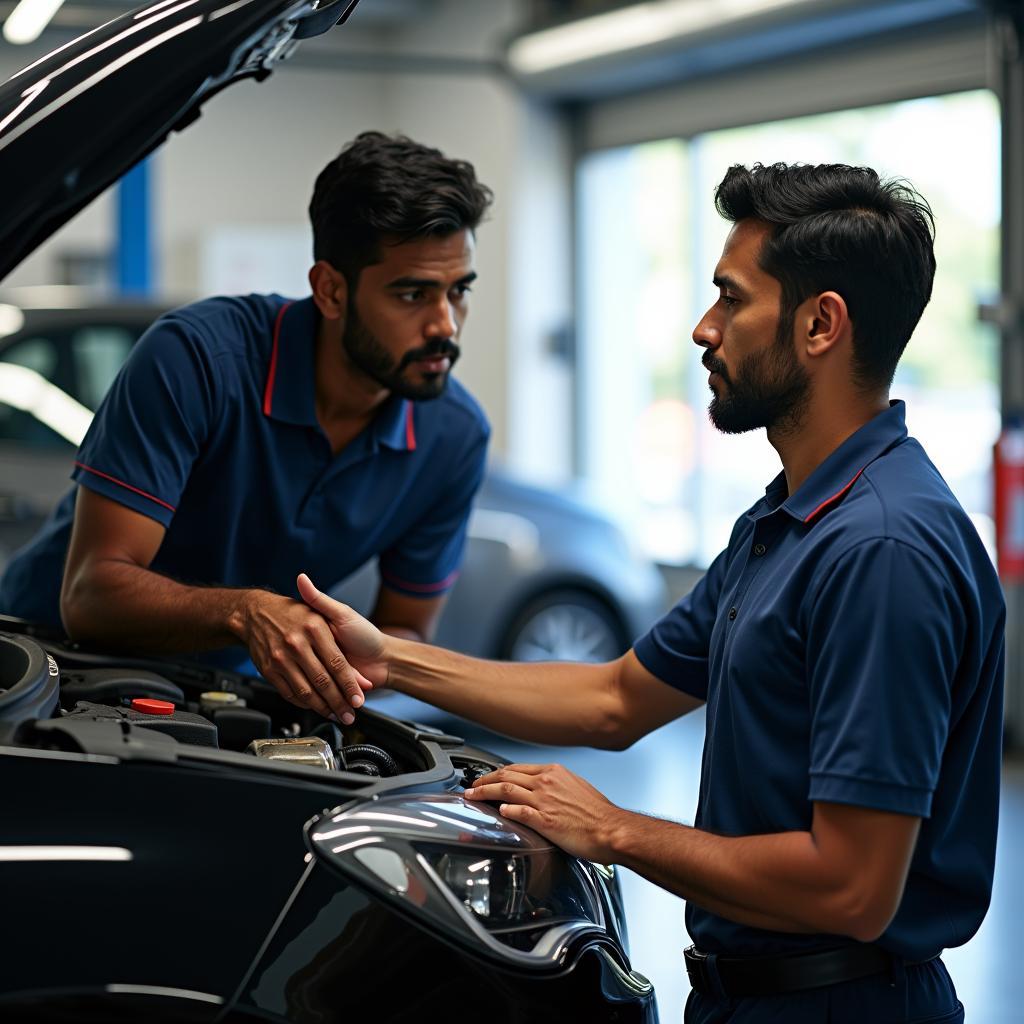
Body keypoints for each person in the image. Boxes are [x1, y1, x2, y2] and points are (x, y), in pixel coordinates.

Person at [291, 163, 1004, 1023]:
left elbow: (854, 887)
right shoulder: (788, 521)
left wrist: (615, 831)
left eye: (732, 300)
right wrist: (392, 659)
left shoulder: (881, 551)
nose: (706, 330)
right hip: (748, 995)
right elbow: (616, 696)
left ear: (821, 325)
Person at [0, 131, 493, 727]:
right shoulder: (197, 359)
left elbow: (404, 631)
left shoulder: (454, 437)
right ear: (331, 290)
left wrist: (333, 666)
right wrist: (248, 612)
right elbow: (90, 595)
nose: (446, 324)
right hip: (40, 671)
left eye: (458, 291)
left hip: (219, 693)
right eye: (413, 294)